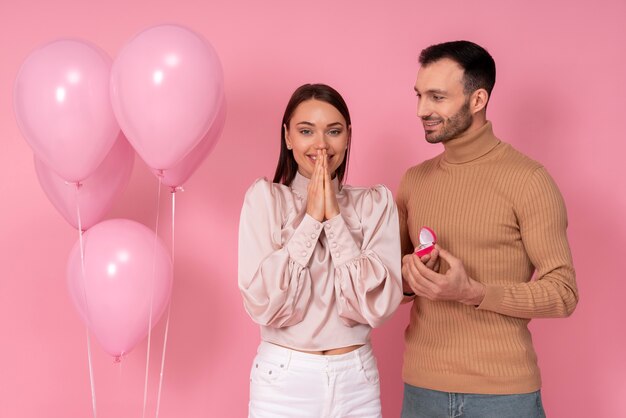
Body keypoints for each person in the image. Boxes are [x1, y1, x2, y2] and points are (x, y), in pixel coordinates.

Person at [397, 41, 579, 418]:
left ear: (477, 99)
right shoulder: (414, 182)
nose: (421, 110)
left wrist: (474, 292)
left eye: (437, 97)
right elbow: (395, 285)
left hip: (503, 396)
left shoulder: (528, 180)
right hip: (421, 390)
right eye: (419, 95)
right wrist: (408, 279)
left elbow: (563, 294)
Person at [238, 83, 403, 418]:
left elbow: (379, 305)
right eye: (306, 131)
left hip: (357, 380)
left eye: (333, 131)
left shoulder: (375, 204)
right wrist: (313, 219)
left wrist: (335, 220)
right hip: (284, 382)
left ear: (348, 136)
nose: (321, 144)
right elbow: (263, 303)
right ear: (287, 137)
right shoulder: (265, 201)